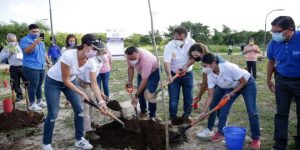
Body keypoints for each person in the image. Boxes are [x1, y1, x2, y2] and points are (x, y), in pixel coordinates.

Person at [42, 34, 108, 150]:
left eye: (97, 50)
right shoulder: (68, 55)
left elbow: (94, 84)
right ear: (85, 45)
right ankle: (46, 144)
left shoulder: (91, 61)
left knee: (80, 109)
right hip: (53, 82)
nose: (95, 52)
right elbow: (65, 80)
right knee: (53, 113)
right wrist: (81, 93)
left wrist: (101, 102)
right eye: (94, 49)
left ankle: (79, 140)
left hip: (70, 81)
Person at [198, 53, 261, 149]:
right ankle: (221, 132)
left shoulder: (228, 67)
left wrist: (232, 93)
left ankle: (256, 138)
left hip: (247, 84)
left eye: (205, 66)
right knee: (223, 108)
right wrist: (204, 111)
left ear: (213, 63)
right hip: (232, 86)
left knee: (252, 111)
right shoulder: (210, 75)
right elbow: (210, 96)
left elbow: (243, 82)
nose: (204, 68)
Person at [267, 16, 300, 150]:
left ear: (290, 30)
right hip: (281, 81)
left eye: (277, 31)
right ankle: (279, 144)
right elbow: (271, 61)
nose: (274, 34)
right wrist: (268, 79)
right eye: (272, 31)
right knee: (281, 113)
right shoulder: (274, 42)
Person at [184, 43, 225, 138]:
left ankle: (209, 129)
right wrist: (199, 95)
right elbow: (205, 81)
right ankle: (218, 120)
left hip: (223, 81)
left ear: (202, 52)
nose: (194, 58)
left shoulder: (211, 60)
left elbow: (205, 82)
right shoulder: (204, 59)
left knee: (213, 103)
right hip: (216, 81)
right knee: (216, 101)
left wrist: (199, 95)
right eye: (192, 55)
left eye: (196, 55)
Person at [76, 40, 107, 141]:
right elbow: (92, 82)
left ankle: (91, 121)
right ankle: (88, 131)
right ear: (97, 52)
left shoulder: (100, 61)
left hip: (86, 83)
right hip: (78, 82)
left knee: (91, 102)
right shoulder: (92, 60)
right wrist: (101, 102)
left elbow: (92, 81)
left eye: (105, 51)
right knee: (85, 105)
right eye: (102, 51)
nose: (105, 53)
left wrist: (100, 93)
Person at [163, 26, 195, 123]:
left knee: (188, 96)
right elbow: (167, 62)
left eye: (181, 39)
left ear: (186, 37)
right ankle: (173, 117)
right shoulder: (169, 46)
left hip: (188, 74)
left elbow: (195, 57)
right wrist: (169, 75)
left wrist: (185, 66)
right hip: (173, 74)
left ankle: (187, 116)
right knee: (173, 97)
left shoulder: (192, 43)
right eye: (176, 38)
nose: (178, 40)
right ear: (174, 36)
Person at [19, 24, 51, 111]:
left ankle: (39, 101)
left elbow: (44, 53)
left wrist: (48, 62)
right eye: (33, 31)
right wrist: (36, 43)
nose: (36, 33)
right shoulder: (25, 40)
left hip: (41, 66)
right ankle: (32, 104)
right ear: (29, 31)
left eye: (37, 31)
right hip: (31, 67)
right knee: (33, 86)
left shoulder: (42, 42)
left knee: (40, 85)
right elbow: (26, 51)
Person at [125, 46, 160, 120]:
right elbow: (130, 68)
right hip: (141, 72)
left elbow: (144, 80)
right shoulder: (128, 56)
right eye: (130, 59)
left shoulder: (146, 59)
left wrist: (135, 96)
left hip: (154, 72)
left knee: (150, 93)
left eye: (134, 58)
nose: (131, 60)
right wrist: (130, 82)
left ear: (138, 53)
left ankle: (152, 115)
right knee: (140, 92)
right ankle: (143, 112)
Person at [0, 33, 28, 101]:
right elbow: (1, 57)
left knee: (27, 80)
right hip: (13, 67)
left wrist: (19, 55)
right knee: (15, 82)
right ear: (7, 41)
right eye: (11, 41)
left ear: (16, 40)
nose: (12, 43)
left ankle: (28, 92)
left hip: (22, 66)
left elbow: (22, 57)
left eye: (14, 41)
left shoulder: (18, 47)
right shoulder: (6, 48)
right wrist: (9, 53)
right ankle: (19, 95)